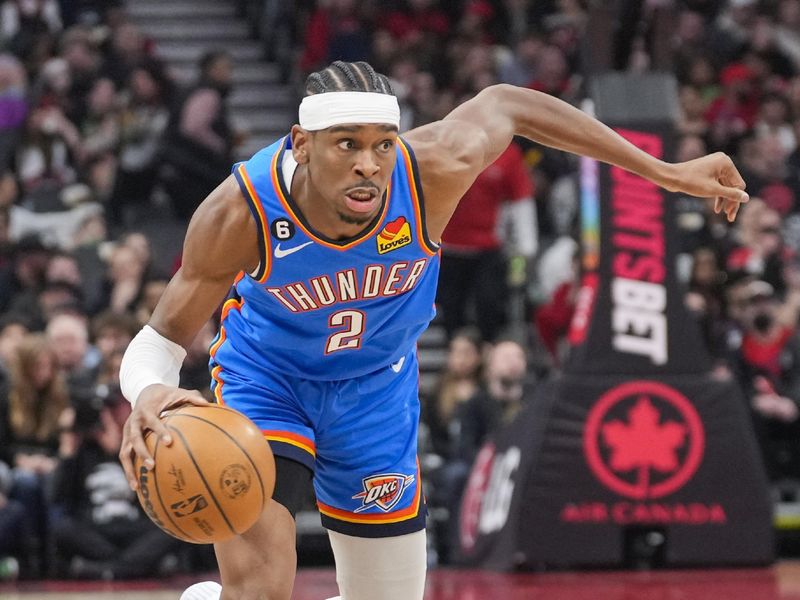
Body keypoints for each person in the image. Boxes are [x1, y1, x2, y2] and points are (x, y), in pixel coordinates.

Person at [117, 61, 749, 600]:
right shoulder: (242, 210)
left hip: (376, 389)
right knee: (261, 585)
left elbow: (510, 104)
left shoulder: (430, 171)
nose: (370, 164)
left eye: (382, 142)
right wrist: (148, 392)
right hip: (268, 383)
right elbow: (161, 339)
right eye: (346, 144)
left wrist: (665, 172)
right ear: (302, 143)